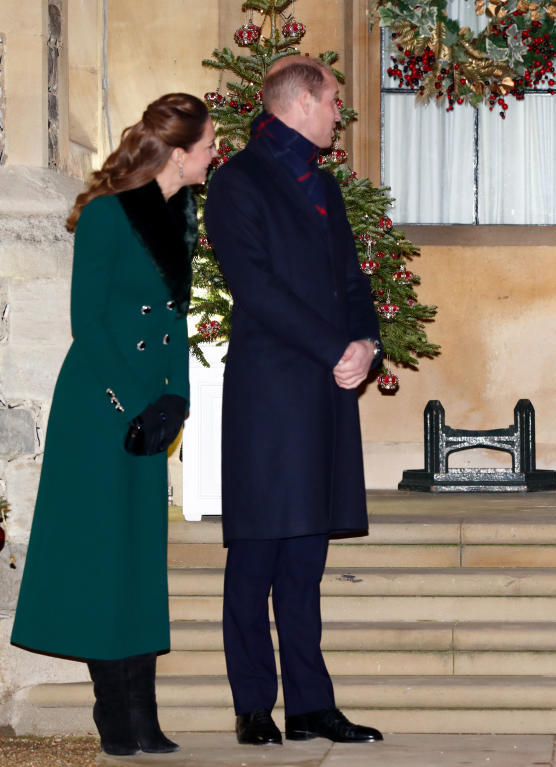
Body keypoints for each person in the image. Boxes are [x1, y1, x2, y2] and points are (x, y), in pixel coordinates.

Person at [11, 93, 216, 754]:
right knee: (104, 558)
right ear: (179, 151)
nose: (215, 152)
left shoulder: (182, 211)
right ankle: (114, 714)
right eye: (210, 142)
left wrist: (176, 401)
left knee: (137, 561)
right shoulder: (105, 215)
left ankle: (144, 714)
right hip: (102, 408)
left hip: (153, 406)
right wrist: (138, 404)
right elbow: (89, 324)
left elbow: (173, 319)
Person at [204, 56, 384, 747]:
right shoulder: (237, 181)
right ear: (302, 103)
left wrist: (365, 342)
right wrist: (333, 348)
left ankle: (312, 703)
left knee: (306, 557)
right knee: (256, 555)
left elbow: (350, 277)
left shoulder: (323, 184)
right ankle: (254, 704)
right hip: (271, 392)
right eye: (334, 99)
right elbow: (256, 287)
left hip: (327, 387)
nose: (340, 110)